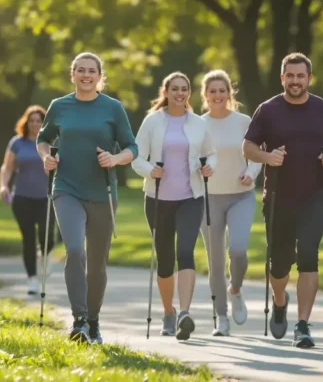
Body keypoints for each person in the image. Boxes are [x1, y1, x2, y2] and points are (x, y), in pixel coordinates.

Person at [243, 52, 323, 348]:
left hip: (315, 196)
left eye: (300, 76)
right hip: (278, 198)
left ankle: (303, 325)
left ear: (309, 78)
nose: (295, 81)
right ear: (282, 78)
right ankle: (279, 301)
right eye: (290, 76)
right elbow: (247, 146)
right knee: (279, 265)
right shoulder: (268, 110)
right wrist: (267, 157)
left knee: (308, 256)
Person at [37, 52, 138, 345]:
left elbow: (132, 147)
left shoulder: (112, 108)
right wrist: (46, 157)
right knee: (74, 251)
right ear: (73, 74)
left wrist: (115, 158)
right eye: (80, 70)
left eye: (91, 71)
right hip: (66, 188)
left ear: (99, 76)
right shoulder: (59, 106)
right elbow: (43, 139)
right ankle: (79, 320)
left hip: (103, 193)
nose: (85, 75)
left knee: (97, 265)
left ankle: (94, 321)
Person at [132, 71, 216, 342]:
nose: (180, 93)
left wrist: (208, 167)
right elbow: (136, 156)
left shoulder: (197, 123)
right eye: (175, 89)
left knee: (185, 251)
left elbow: (211, 153)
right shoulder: (152, 121)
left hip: (191, 197)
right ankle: (169, 312)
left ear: (189, 93)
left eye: (184, 89)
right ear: (165, 92)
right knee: (166, 259)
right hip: (157, 199)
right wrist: (149, 171)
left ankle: (185, 314)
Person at [198, 69, 261, 336]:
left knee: (237, 250)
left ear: (229, 93)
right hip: (208, 199)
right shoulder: (197, 124)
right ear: (205, 95)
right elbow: (191, 157)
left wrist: (251, 172)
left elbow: (256, 153)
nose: (218, 95)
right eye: (212, 91)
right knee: (215, 261)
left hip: (240, 196)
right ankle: (220, 318)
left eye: (222, 91)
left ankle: (235, 288)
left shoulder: (244, 121)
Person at [0, 105, 55, 296]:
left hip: (46, 197)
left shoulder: (51, 142)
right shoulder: (17, 142)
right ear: (26, 122)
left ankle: (46, 255)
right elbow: (7, 167)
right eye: (31, 120)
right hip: (22, 197)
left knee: (47, 236)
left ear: (44, 123)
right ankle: (32, 279)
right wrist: (3, 186)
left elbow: (62, 166)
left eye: (39, 121)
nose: (35, 124)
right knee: (28, 239)